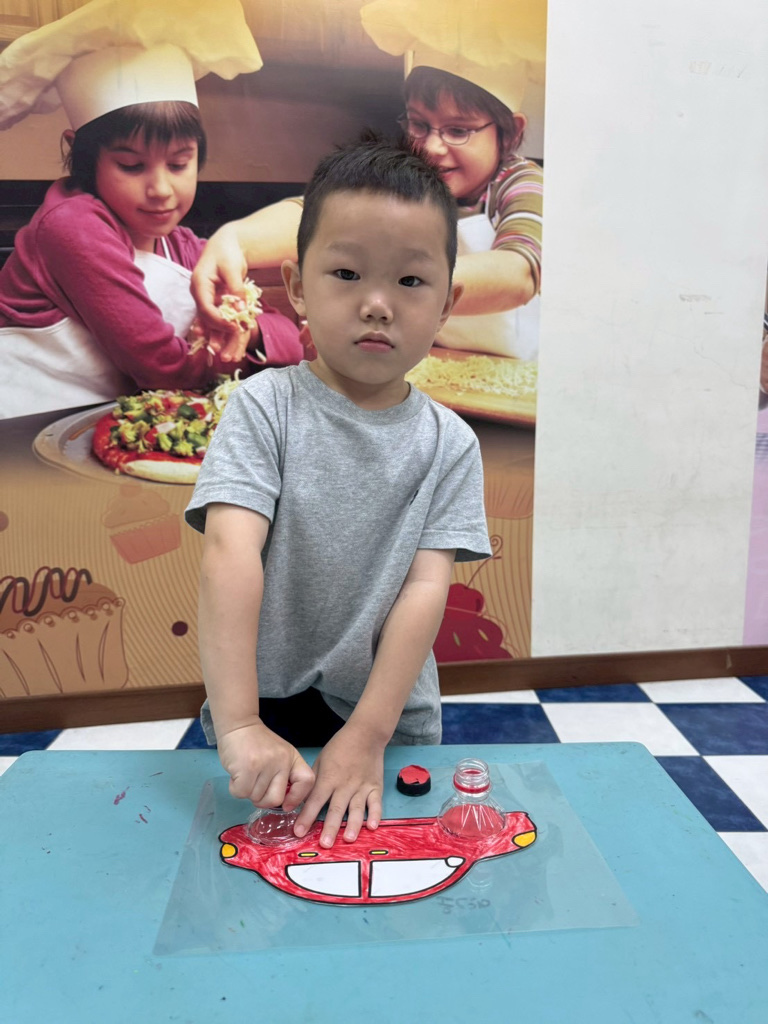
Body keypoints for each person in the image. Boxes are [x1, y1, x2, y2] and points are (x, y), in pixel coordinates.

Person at [185, 137, 492, 849]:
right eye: (347, 273)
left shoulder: (450, 444)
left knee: (396, 877)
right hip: (262, 708)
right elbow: (229, 554)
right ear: (297, 286)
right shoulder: (264, 407)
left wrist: (369, 733)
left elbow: (425, 590)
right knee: (247, 876)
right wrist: (237, 723)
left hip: (387, 717)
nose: (377, 305)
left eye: (411, 281)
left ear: (449, 302)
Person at [0, 1, 302, 419]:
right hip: (23, 430)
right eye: (131, 165)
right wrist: (232, 346)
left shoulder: (184, 247)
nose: (161, 190)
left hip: (111, 424)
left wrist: (247, 332)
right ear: (83, 155)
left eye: (179, 164)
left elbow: (290, 340)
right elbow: (163, 369)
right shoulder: (71, 226)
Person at [191, 50, 543, 362]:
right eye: (419, 125)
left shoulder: (520, 182)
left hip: (518, 388)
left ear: (510, 131)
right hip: (431, 374)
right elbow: (318, 216)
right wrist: (235, 241)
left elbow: (518, 273)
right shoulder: (405, 178)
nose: (432, 148)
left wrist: (391, 288)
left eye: (458, 131)